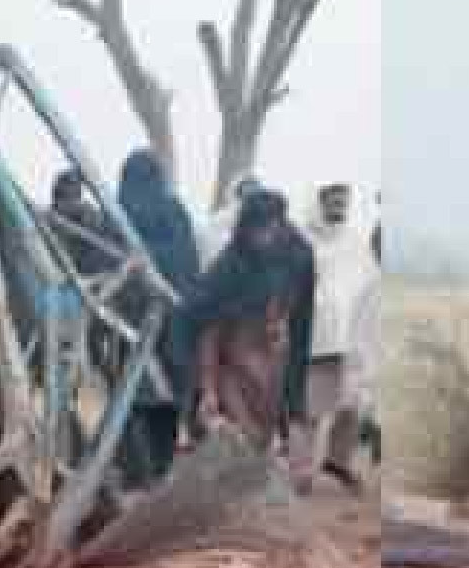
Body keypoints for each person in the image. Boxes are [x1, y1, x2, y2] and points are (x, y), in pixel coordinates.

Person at [187, 188, 314, 452]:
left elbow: (301, 332)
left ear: (280, 225)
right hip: (233, 362)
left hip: (270, 367)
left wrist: (295, 412)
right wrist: (208, 390)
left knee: (261, 442)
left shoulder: (299, 255)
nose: (262, 238)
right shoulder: (230, 264)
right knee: (235, 440)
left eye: (269, 229)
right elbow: (206, 328)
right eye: (256, 230)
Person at [116, 148, 202, 487]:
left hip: (131, 319)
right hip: (171, 318)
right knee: (165, 395)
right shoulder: (174, 210)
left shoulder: (120, 212)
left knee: (133, 397)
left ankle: (141, 471)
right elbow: (189, 266)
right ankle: (160, 469)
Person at [297, 182, 380, 489]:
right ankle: (302, 474)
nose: (338, 208)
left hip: (352, 336)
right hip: (316, 336)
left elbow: (369, 283)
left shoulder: (355, 243)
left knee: (354, 404)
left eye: (343, 203)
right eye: (332, 202)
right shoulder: (301, 239)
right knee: (311, 408)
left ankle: (337, 461)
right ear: (319, 202)